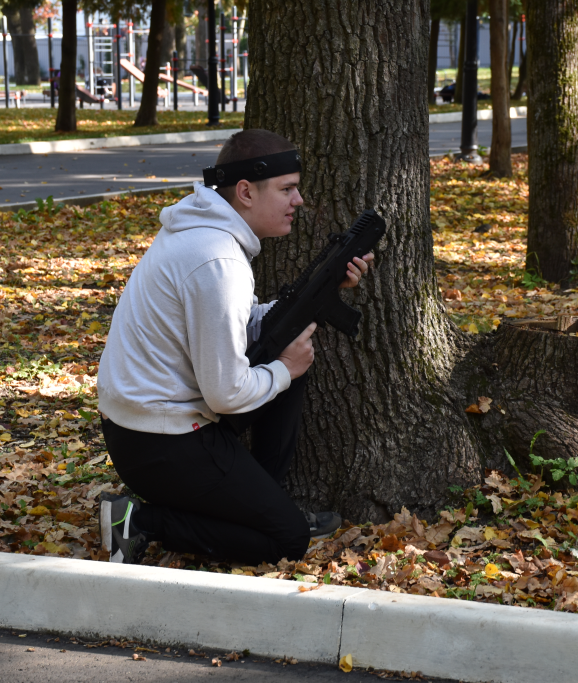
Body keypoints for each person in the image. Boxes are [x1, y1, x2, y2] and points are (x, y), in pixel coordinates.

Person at [95, 129, 374, 566]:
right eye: (287, 189)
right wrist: (283, 370)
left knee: (289, 368)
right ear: (245, 191)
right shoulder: (218, 261)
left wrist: (322, 291)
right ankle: (140, 521)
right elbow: (226, 395)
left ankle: (254, 503)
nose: (297, 200)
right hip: (159, 444)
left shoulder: (202, 235)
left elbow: (236, 328)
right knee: (288, 540)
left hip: (143, 428)